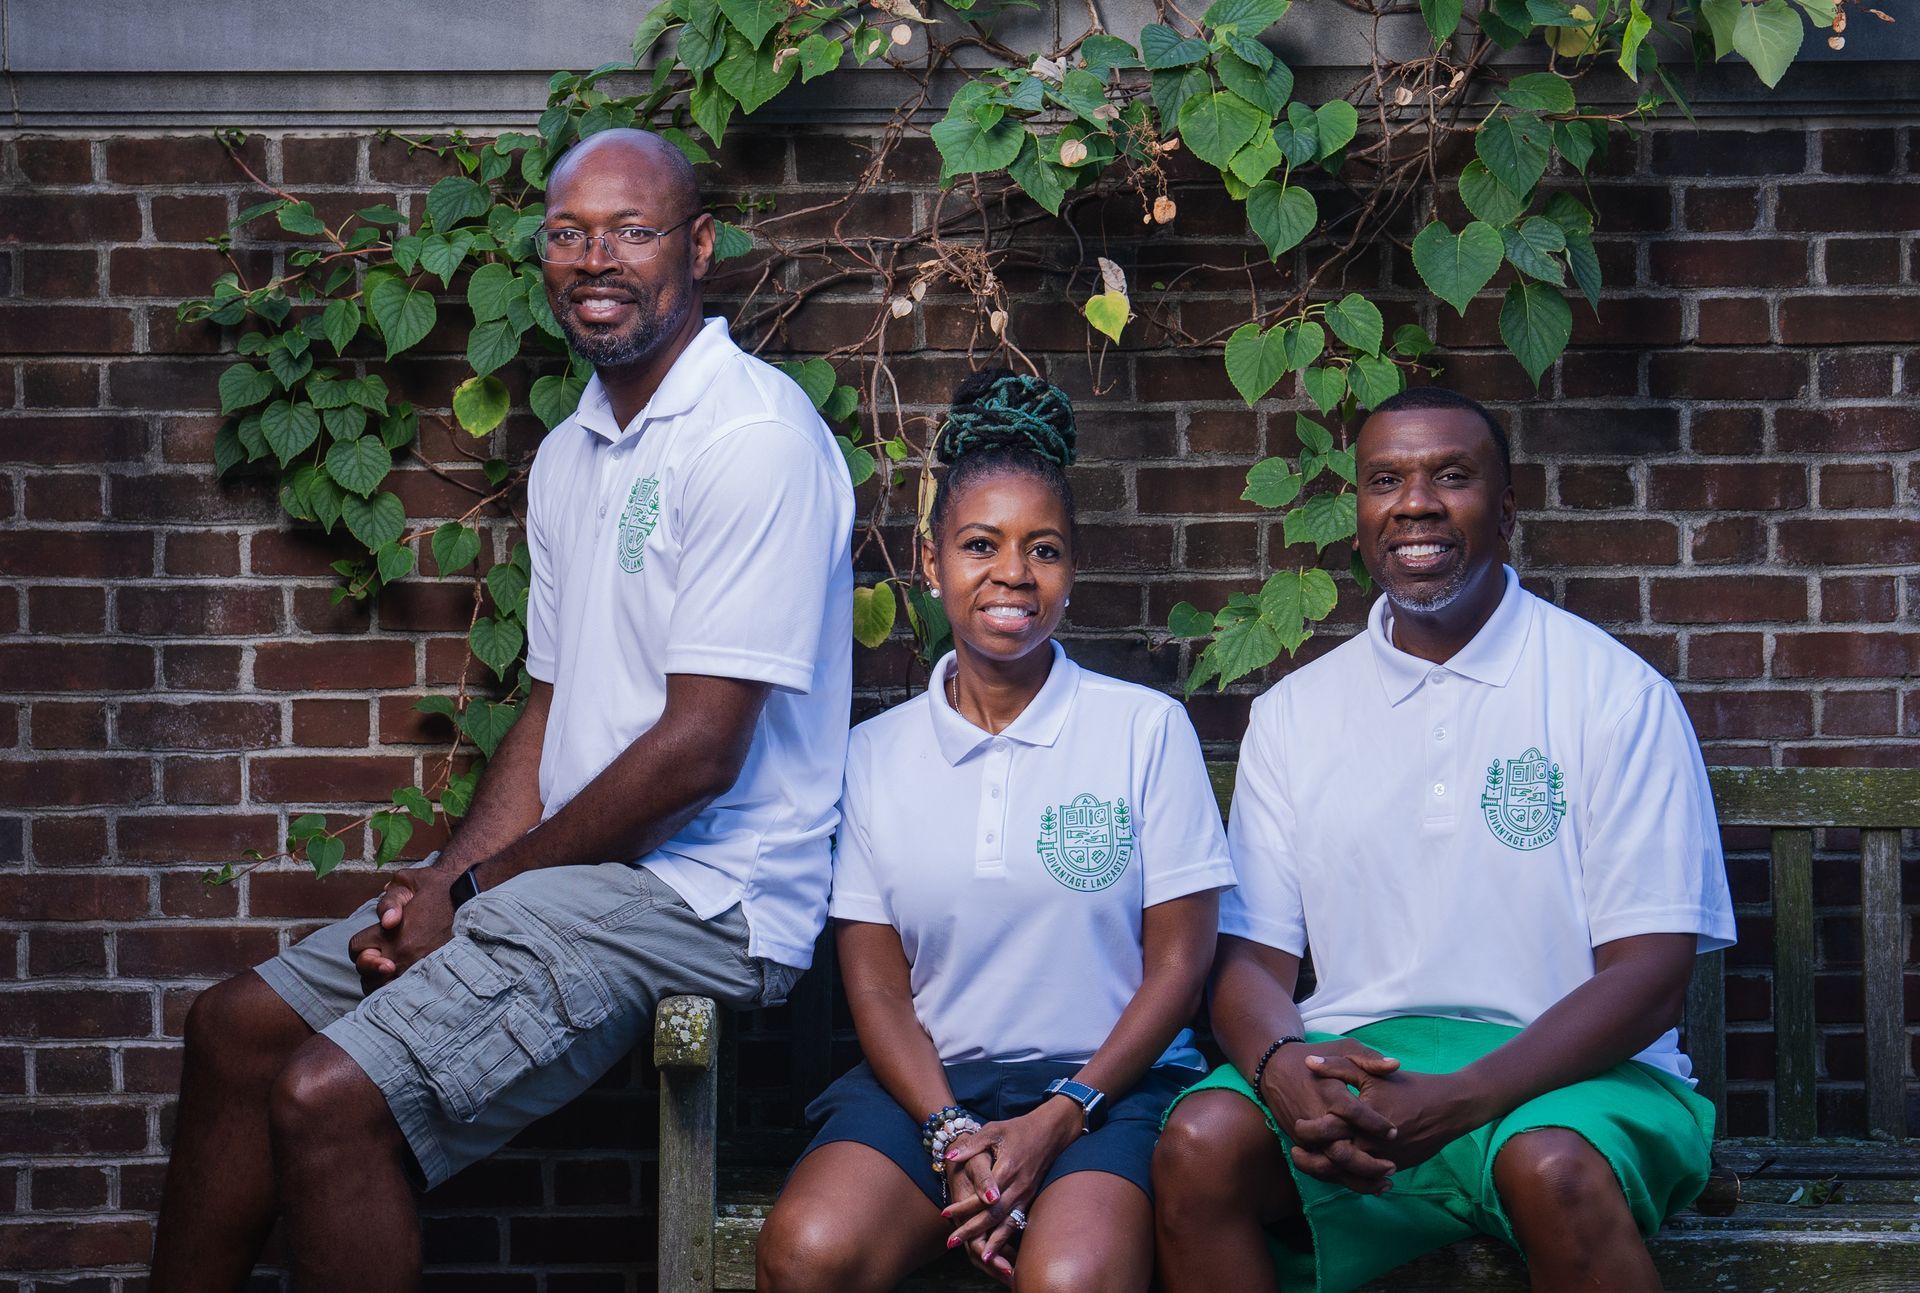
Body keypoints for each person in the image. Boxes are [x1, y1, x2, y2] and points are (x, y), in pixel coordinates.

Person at [148, 128, 855, 1293]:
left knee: (327, 1098)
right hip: (569, 879)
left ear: (699, 247)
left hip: (708, 896)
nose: (597, 259)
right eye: (570, 233)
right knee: (236, 1035)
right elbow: (552, 707)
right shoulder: (577, 451)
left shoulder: (753, 438)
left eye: (632, 230)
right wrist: (442, 882)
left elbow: (697, 756)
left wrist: (477, 893)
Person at [1153, 386, 1736, 1293]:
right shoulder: (1296, 714)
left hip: (1576, 1078)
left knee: (1551, 1168)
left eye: (1452, 477)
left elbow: (1652, 975)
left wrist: (1465, 1099)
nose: (1415, 502)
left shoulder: (1613, 695)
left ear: (1506, 507)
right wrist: (1283, 1070)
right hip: (1370, 1068)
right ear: (1359, 514)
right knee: (1199, 1142)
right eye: (1386, 479)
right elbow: (1249, 964)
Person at [756, 371, 1235, 1293]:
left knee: (1068, 1280)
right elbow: (879, 986)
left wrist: (1061, 1112)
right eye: (981, 544)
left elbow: (1180, 967)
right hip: (931, 1092)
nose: (1013, 573)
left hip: (1113, 1093)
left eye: (1042, 549)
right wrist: (949, 1132)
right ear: (931, 563)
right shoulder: (874, 754)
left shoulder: (1143, 729)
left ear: (1071, 571)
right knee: (808, 1250)